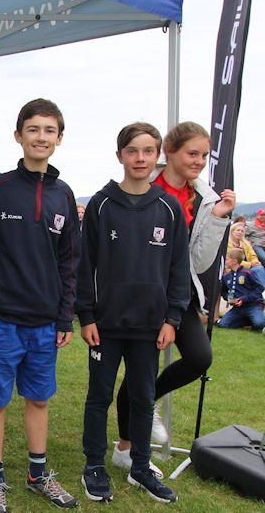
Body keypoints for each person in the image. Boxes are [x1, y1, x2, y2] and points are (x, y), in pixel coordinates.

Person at [0, 98, 79, 512]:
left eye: (49, 131)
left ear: (59, 139)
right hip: (0, 320)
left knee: (39, 399)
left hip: (45, 322)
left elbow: (70, 260)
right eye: (33, 129)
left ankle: (37, 474)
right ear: (19, 136)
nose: (41, 137)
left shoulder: (64, 194)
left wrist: (65, 314)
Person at [112, 121, 235, 468]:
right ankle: (125, 448)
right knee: (140, 371)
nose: (198, 161)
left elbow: (198, 260)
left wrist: (219, 220)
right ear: (171, 152)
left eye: (203, 155)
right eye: (192, 153)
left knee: (199, 357)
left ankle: (149, 403)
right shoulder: (144, 183)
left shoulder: (207, 198)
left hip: (181, 291)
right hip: (141, 291)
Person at [78, 122, 190, 504]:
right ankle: (93, 464)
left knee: (144, 398)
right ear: (120, 155)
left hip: (150, 325)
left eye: (147, 151)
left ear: (157, 155)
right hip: (105, 325)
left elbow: (178, 267)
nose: (140, 158)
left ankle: (140, 466)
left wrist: (173, 318)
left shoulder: (168, 207)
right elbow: (84, 265)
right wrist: (87, 316)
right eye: (132, 151)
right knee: (99, 396)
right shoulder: (101, 204)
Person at [216, 248, 265, 330]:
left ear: (234, 261)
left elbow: (259, 288)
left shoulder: (248, 273)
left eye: (227, 259)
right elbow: (223, 291)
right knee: (222, 324)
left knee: (259, 324)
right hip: (237, 308)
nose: (226, 261)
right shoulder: (226, 276)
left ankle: (253, 319)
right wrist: (227, 297)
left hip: (252, 305)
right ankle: (246, 320)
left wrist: (244, 299)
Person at [228, 222, 265, 288]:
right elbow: (232, 260)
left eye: (242, 231)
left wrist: (255, 262)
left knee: (259, 268)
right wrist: (250, 264)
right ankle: (261, 288)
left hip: (248, 265)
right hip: (234, 266)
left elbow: (252, 255)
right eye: (238, 230)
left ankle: (261, 289)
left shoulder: (245, 243)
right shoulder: (228, 244)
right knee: (256, 270)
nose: (240, 232)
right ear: (232, 232)